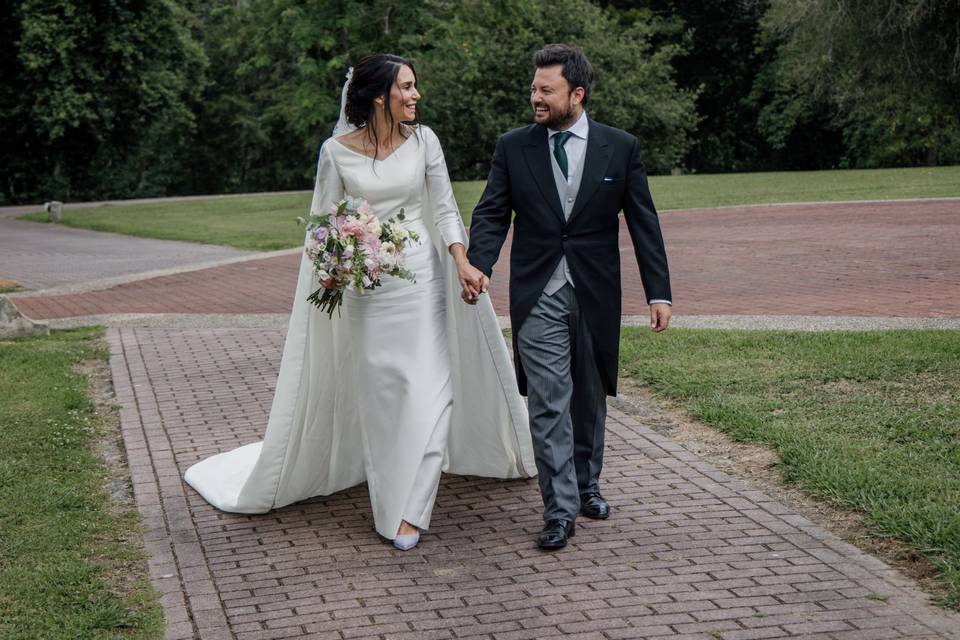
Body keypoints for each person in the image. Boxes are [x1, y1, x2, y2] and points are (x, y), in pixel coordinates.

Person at [184, 54, 535, 551]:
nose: (415, 96)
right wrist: (337, 268)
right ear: (379, 97)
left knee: (436, 393)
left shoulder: (425, 142)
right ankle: (388, 502)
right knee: (386, 400)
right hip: (368, 291)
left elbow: (445, 208)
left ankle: (410, 510)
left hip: (423, 281)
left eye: (415, 87)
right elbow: (326, 223)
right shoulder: (336, 152)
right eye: (407, 88)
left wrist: (461, 261)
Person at [465, 44, 672, 550]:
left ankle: (587, 483)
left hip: (595, 289)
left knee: (589, 392)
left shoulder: (619, 147)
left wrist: (658, 292)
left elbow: (643, 222)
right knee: (548, 398)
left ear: (576, 94)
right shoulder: (514, 147)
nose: (535, 97)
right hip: (538, 290)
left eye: (545, 90)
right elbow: (493, 212)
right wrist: (478, 263)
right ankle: (558, 509)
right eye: (533, 88)